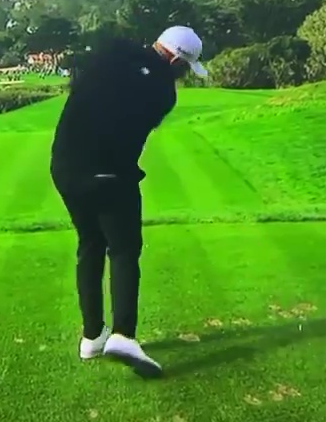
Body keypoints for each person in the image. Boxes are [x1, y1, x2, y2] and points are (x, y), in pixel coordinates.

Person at [49, 25, 208, 378]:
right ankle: (123, 334)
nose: (182, 77)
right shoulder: (164, 92)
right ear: (176, 59)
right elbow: (126, 134)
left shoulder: (111, 53)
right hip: (108, 174)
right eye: (183, 69)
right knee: (123, 249)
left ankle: (92, 337)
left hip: (64, 169)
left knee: (90, 243)